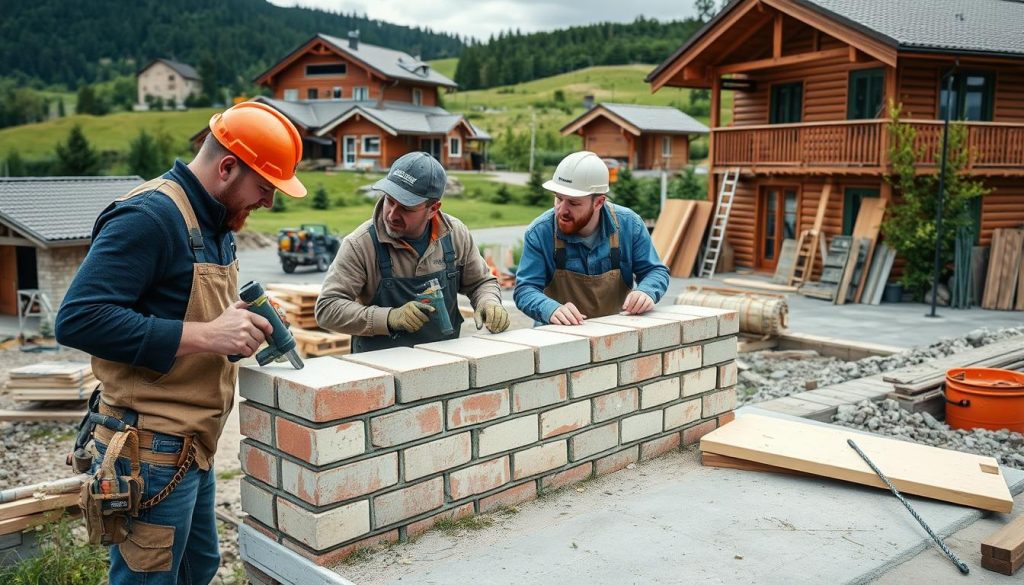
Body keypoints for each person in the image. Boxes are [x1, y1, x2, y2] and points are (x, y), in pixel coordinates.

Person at [55, 101, 306, 584]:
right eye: (264, 188)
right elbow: (78, 319)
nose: (268, 202)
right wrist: (208, 334)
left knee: (198, 567)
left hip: (193, 447)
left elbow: (181, 313)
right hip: (149, 450)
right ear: (228, 167)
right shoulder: (149, 217)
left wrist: (234, 331)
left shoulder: (215, 221)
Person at [316, 151, 509, 352]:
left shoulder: (454, 234)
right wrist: (388, 318)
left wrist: (489, 302)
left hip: (444, 364)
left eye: (406, 208)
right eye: (389, 200)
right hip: (379, 371)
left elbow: (480, 282)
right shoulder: (360, 244)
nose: (391, 214)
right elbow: (327, 308)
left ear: (433, 209)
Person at [514, 151, 669, 325]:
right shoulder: (540, 232)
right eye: (558, 199)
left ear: (598, 203)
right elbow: (525, 290)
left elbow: (655, 271)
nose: (562, 210)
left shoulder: (629, 225)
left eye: (573, 203)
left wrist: (646, 292)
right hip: (556, 338)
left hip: (615, 336)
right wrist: (550, 309)